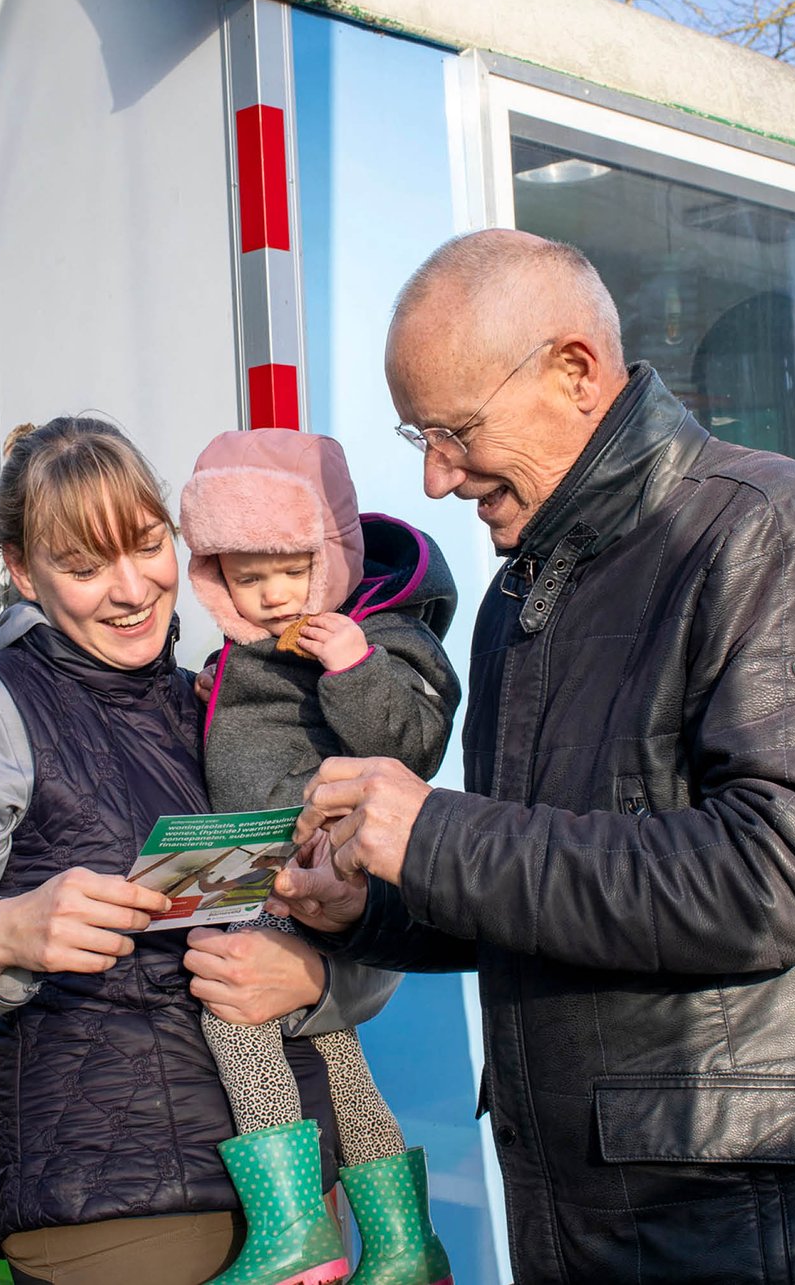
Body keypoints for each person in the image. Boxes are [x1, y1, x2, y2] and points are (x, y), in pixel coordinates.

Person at [270, 230, 795, 1283]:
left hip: (766, 1228)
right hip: (601, 1215)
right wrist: (371, 899)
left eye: (454, 431)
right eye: (417, 434)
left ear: (574, 370)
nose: (431, 477)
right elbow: (549, 887)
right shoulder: (521, 595)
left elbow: (785, 871)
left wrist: (433, 832)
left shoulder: (772, 530)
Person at [0, 417, 399, 1285]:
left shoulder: (223, 707)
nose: (132, 587)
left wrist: (320, 979)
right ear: (23, 571)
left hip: (303, 1219)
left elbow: (368, 935)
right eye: (85, 564)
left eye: (147, 545)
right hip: (120, 1229)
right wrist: (6, 936)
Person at [177, 428, 461, 1285]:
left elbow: (410, 743)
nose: (268, 599)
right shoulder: (250, 651)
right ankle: (405, 1242)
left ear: (330, 558)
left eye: (288, 575)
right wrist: (212, 698)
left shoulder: (370, 635)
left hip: (315, 865)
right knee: (337, 1051)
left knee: (234, 1014)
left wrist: (354, 665)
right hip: (280, 861)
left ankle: (295, 1227)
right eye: (244, 579)